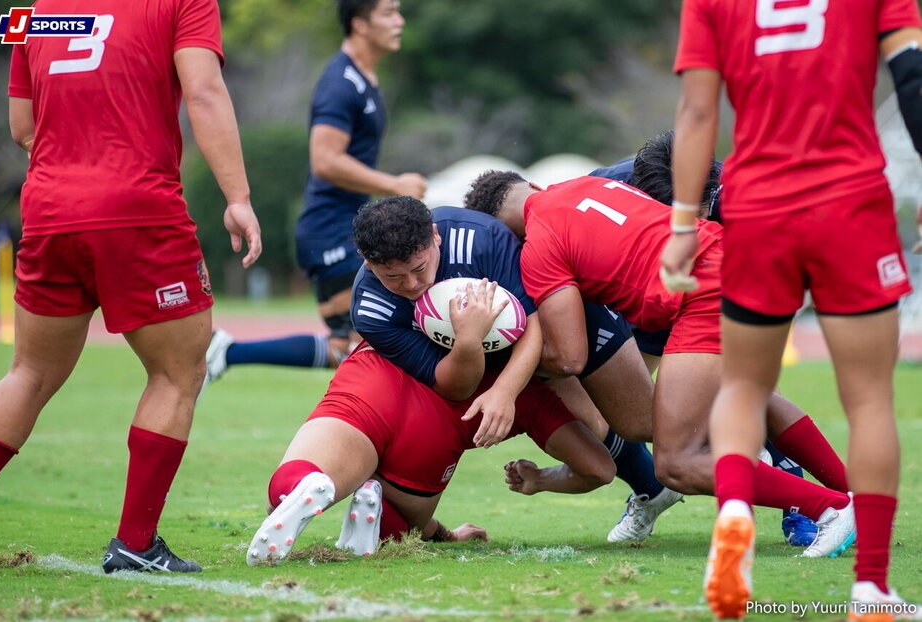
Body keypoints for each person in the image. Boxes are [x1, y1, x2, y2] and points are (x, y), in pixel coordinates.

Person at [664, 0, 922, 617]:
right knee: (868, 399)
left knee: (745, 387)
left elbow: (699, 110)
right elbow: (911, 78)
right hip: (850, 204)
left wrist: (682, 222)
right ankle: (871, 589)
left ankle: (732, 518)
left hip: (757, 210)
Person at [0, 0, 261, 573]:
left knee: (27, 375)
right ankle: (135, 544)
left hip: (47, 209)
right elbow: (205, 93)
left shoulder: (31, 8)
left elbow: (20, 127)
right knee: (177, 372)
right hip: (139, 209)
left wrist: (75, 166)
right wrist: (237, 198)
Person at [463, 171, 855, 559]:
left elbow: (570, 356)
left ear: (502, 235)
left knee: (677, 465)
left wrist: (507, 367)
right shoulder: (585, 184)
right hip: (738, 265)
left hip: (705, 295)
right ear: (530, 185)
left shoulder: (537, 245)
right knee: (756, 399)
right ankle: (861, 500)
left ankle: (832, 508)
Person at [351, 196, 683, 541]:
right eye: (392, 276)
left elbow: (537, 322)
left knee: (630, 418)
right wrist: (469, 342)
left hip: (555, 334)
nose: (411, 285)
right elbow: (450, 385)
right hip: (477, 373)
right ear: (366, 261)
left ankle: (711, 458)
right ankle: (656, 484)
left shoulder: (478, 238)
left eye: (419, 268)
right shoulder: (371, 309)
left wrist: (505, 392)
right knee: (599, 432)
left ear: (436, 237)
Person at [599, 129, 819, 548]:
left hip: (722, 299)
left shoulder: (745, 199)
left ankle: (800, 502)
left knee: (751, 394)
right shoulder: (613, 185)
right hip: (649, 301)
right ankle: (652, 488)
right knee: (609, 409)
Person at [202, 0, 427, 386]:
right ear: (359, 24)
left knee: (347, 347)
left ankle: (226, 351)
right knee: (389, 338)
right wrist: (394, 185)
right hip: (332, 233)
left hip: (340, 230)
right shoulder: (342, 82)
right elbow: (324, 160)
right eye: (389, 12)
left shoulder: (365, 80)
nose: (399, 21)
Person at [246, 342, 615, 564]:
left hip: (377, 375)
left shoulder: (417, 284)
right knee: (406, 525)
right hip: (433, 438)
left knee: (289, 489)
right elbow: (600, 468)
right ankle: (376, 513)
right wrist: (541, 479)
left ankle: (309, 483)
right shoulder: (532, 395)